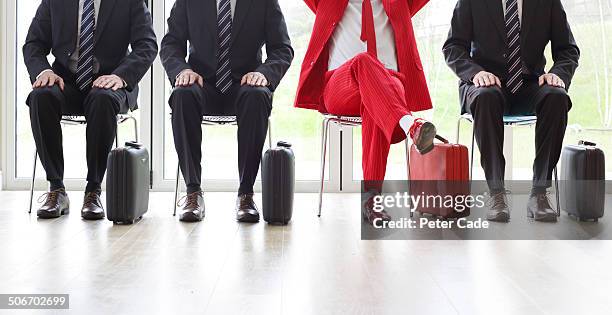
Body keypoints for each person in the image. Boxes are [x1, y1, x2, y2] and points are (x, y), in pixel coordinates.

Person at [295, 0, 436, 225]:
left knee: (377, 103)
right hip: (342, 84)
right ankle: (410, 124)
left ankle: (372, 199)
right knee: (363, 61)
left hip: (389, 83)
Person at [443, 0, 580, 222]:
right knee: (486, 97)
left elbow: (568, 50)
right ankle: (496, 194)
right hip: (484, 83)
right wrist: (475, 73)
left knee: (557, 97)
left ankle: (539, 193)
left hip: (529, 84)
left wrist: (558, 74)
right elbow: (453, 47)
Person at [23, 0, 158, 220]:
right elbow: (33, 44)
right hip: (66, 81)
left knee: (102, 99)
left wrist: (120, 76)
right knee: (41, 96)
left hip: (112, 81)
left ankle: (93, 190)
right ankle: (56, 189)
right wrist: (43, 71)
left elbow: (147, 45)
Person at [161, 0, 294, 223]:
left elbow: (282, 48)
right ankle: (193, 193)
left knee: (257, 94)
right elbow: (170, 45)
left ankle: (246, 194)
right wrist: (182, 70)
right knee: (182, 94)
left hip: (244, 84)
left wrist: (264, 74)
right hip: (201, 83)